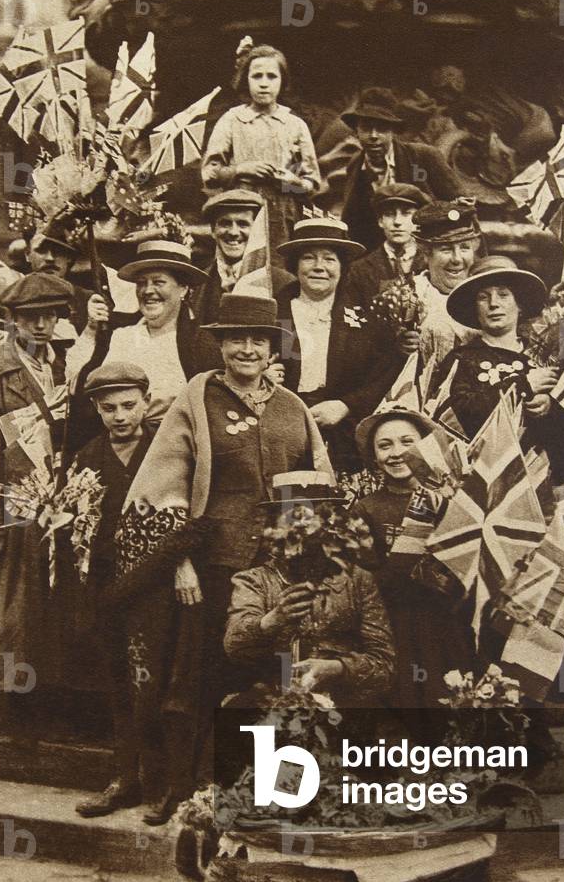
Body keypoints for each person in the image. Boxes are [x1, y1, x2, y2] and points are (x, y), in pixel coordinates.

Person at [112, 293, 332, 825]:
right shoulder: (199, 396)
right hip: (213, 566)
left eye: (259, 340)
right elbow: (163, 484)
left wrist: (312, 547)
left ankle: (266, 790)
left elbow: (321, 481)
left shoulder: (292, 407)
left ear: (271, 347)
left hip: (278, 570)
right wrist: (179, 562)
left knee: (273, 674)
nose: (248, 349)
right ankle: (178, 789)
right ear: (221, 343)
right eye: (237, 339)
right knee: (193, 677)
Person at [0, 273, 74, 687]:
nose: (41, 326)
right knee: (8, 607)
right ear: (12, 319)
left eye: (49, 316)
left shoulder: (62, 361)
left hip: (59, 501)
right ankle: (1, 694)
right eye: (30, 318)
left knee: (51, 602)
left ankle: (46, 692)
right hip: (13, 504)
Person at [225, 471, 395, 707]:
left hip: (347, 701)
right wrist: (274, 619)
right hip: (274, 698)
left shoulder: (357, 580)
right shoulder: (254, 581)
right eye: (291, 518)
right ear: (274, 525)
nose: (303, 530)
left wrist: (336, 668)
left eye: (315, 518)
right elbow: (234, 648)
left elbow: (384, 664)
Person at [72, 363, 154, 818]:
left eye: (129, 405)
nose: (121, 416)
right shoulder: (87, 457)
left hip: (159, 587)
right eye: (109, 408)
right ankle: (125, 778)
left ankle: (163, 781)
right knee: (120, 683)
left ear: (145, 401)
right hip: (108, 588)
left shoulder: (166, 447)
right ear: (96, 410)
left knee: (161, 683)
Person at [350, 409, 473, 710]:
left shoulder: (452, 500)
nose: (397, 453)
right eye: (385, 445)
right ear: (374, 456)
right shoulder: (366, 509)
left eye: (407, 441)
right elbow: (366, 578)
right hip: (400, 623)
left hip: (452, 620)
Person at [435, 255, 564, 481]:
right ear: (475, 308)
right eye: (483, 297)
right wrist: (523, 386)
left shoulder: (546, 354)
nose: (493, 304)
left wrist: (552, 405)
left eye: (503, 294)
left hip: (552, 476)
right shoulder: (461, 360)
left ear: (519, 304)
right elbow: (457, 419)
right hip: (490, 482)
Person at [273, 217, 403, 473]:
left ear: (342, 266)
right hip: (282, 427)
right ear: (295, 264)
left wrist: (346, 405)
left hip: (342, 433)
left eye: (329, 259)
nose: (319, 267)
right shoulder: (275, 309)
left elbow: (385, 371)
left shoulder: (364, 314)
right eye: (309, 257)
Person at [68, 240, 217, 424]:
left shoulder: (201, 343)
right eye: (141, 283)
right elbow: (77, 388)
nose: (148, 290)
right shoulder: (120, 336)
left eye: (158, 282)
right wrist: (91, 330)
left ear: (183, 289)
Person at [202, 43, 321, 254]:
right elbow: (210, 173)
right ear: (245, 80)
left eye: (271, 76)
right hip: (239, 214)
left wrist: (290, 182)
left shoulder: (294, 124)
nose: (264, 84)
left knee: (280, 270)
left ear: (282, 81)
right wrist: (241, 169)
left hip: (284, 214)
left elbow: (311, 184)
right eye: (257, 76)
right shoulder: (233, 120)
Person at [329, 87, 461, 252]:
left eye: (382, 129)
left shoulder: (423, 156)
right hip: (378, 252)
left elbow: (461, 204)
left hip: (427, 247)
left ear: (393, 132)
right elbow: (353, 219)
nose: (374, 136)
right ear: (357, 131)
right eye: (366, 128)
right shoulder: (356, 165)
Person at [188, 189, 295, 326]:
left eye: (242, 224)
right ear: (213, 231)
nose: (233, 232)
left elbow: (287, 344)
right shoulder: (197, 284)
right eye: (225, 223)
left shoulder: (283, 284)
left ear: (258, 229)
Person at [413, 199, 482, 366]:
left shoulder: (487, 295)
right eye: (446, 249)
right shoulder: (409, 295)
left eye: (464, 247)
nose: (457, 259)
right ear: (425, 253)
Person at [345, 182, 432, 310]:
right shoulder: (359, 270)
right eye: (390, 214)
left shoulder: (431, 264)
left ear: (418, 221)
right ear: (380, 221)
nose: (397, 222)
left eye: (406, 213)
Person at [22, 216, 92, 334]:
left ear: (69, 258)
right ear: (27, 255)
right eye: (42, 250)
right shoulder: (15, 297)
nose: (50, 258)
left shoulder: (87, 301)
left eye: (58, 251)